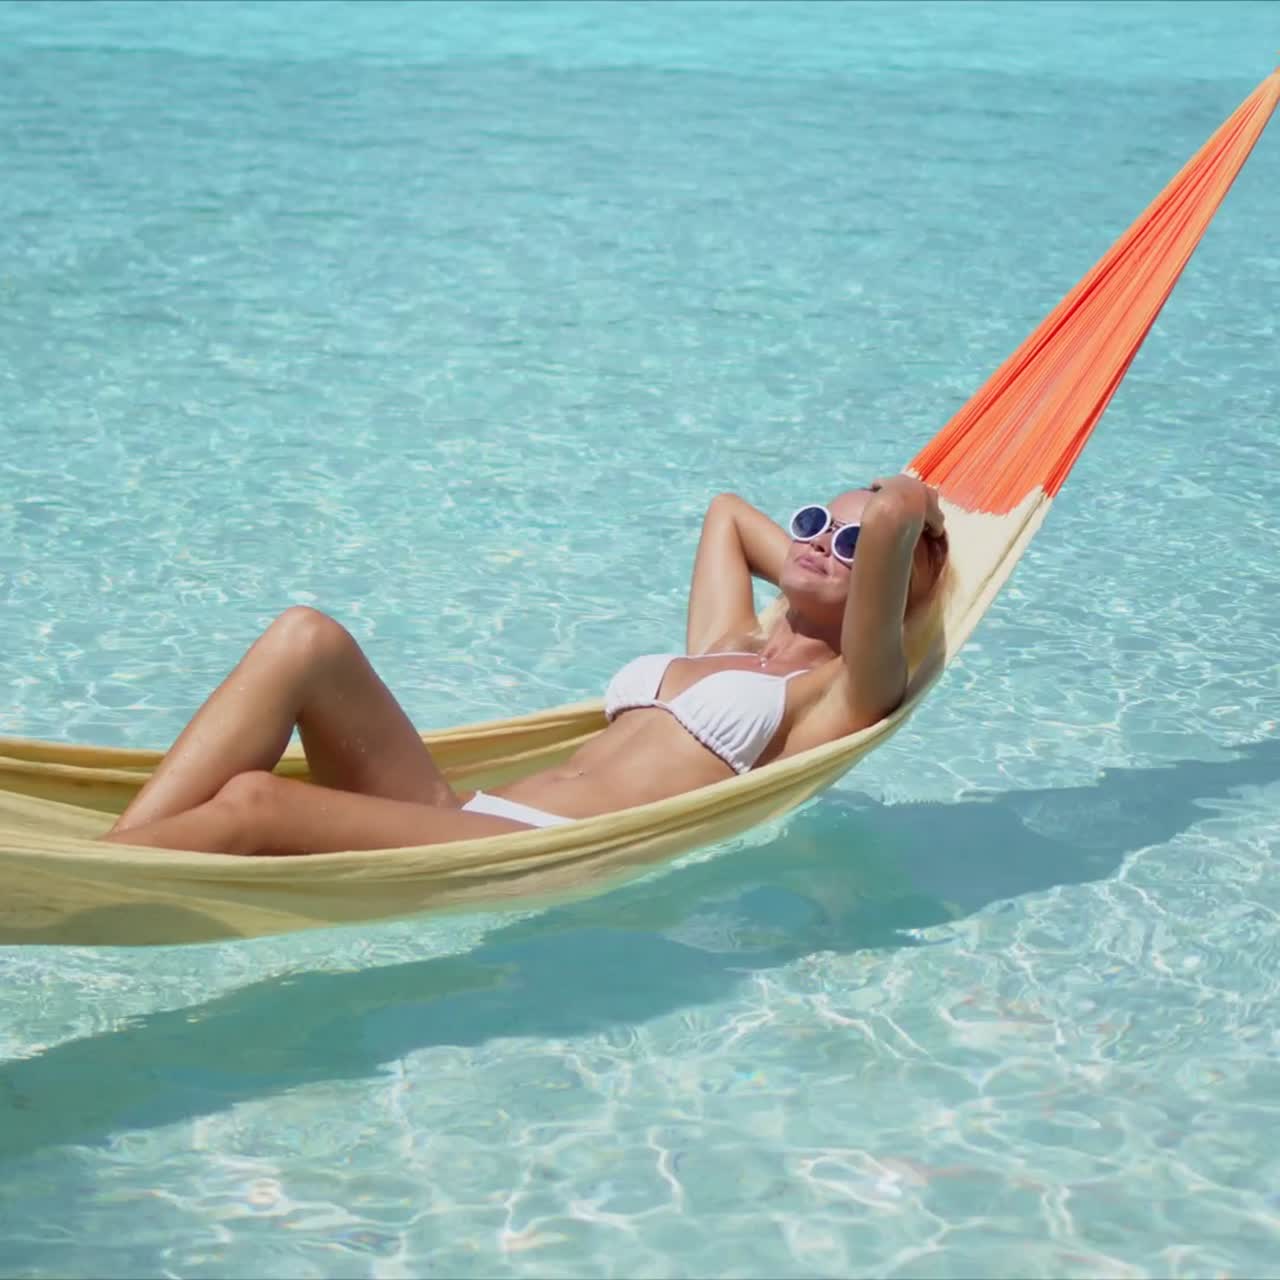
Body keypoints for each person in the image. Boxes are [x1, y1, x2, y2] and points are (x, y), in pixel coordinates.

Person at [102, 474, 949, 855]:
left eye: (853, 543)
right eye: (812, 522)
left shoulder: (836, 697)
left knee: (256, 802)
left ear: (890, 585)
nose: (818, 546)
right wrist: (828, 544)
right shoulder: (727, 642)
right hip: (463, 814)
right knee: (305, 636)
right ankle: (114, 856)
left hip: (534, 850)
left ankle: (94, 883)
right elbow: (725, 513)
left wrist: (904, 502)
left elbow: (888, 532)